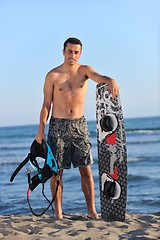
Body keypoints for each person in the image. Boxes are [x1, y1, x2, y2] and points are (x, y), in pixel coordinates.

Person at [35, 37, 120, 219]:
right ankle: (58, 212)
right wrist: (41, 129)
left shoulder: (85, 71)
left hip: (79, 126)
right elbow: (46, 105)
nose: (72, 55)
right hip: (57, 126)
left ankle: (92, 211)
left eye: (76, 52)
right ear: (63, 51)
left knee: (86, 169)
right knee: (56, 171)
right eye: (69, 51)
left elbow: (100, 78)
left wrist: (110, 80)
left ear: (80, 54)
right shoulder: (53, 75)